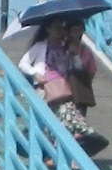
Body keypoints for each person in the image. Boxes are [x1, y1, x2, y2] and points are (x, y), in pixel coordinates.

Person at [21, 15, 106, 154]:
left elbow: (74, 68)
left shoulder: (64, 46)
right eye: (56, 27)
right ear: (48, 29)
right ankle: (36, 142)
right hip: (44, 87)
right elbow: (23, 63)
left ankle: (85, 135)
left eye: (61, 27)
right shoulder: (40, 46)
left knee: (67, 112)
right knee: (47, 118)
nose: (60, 30)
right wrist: (35, 73)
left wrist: (74, 54)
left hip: (61, 86)